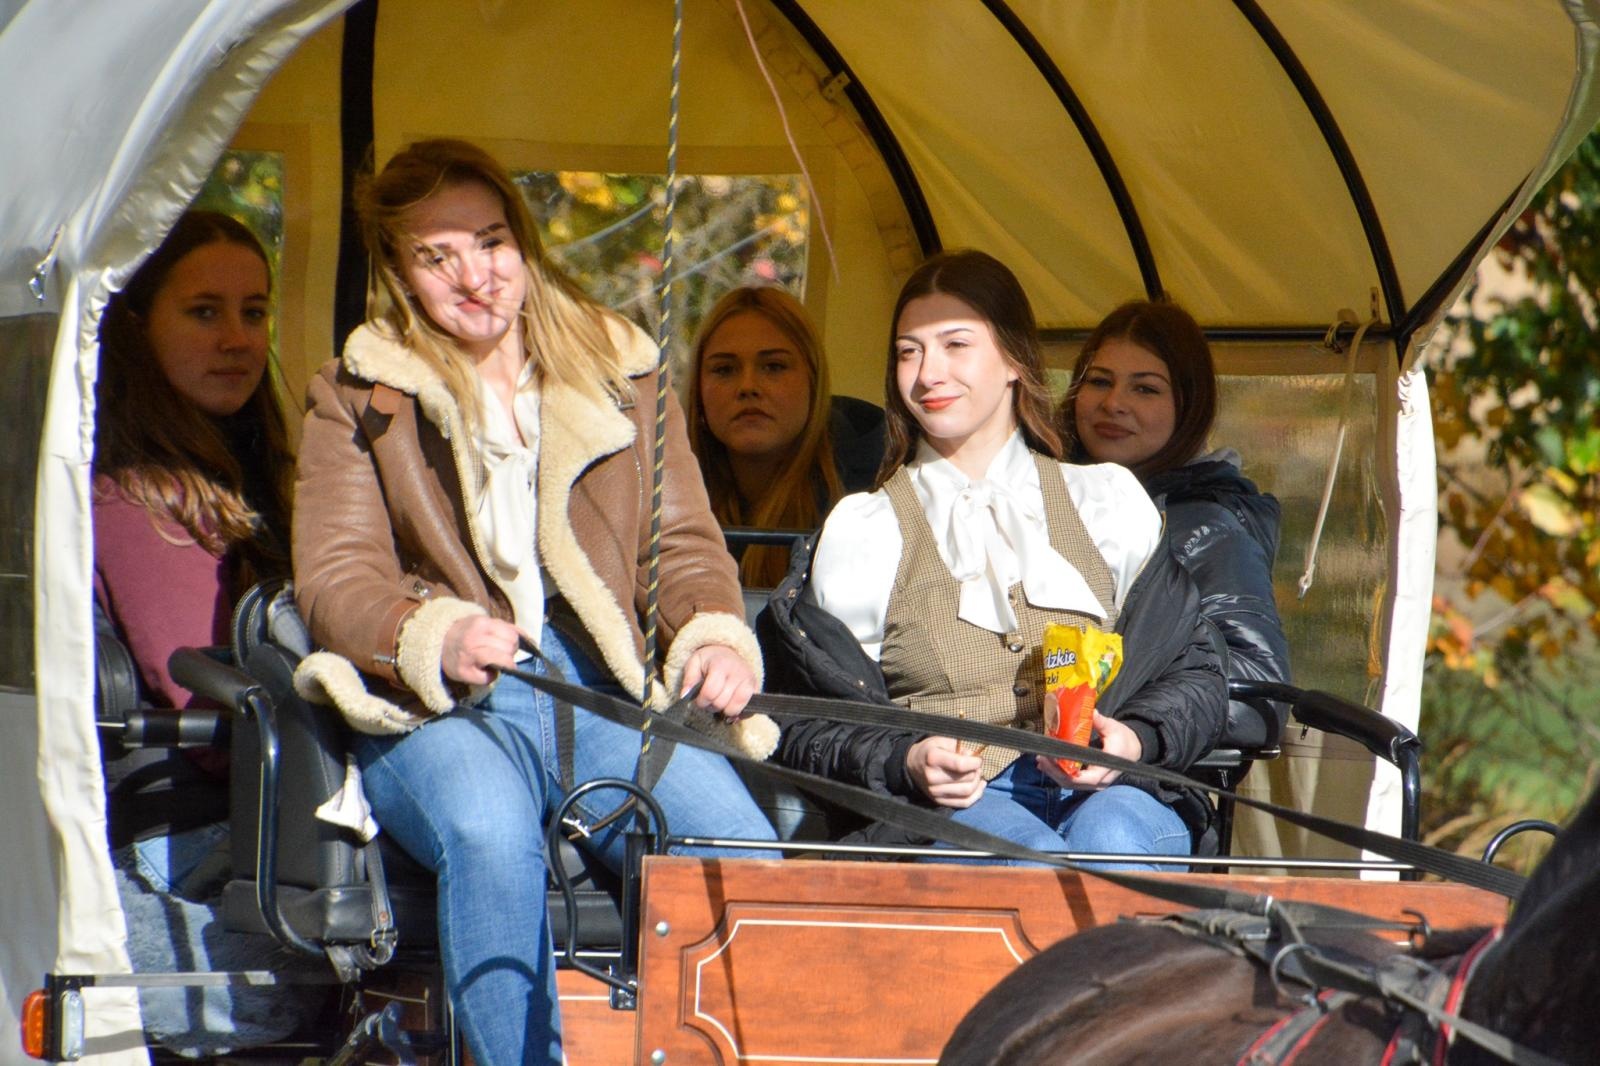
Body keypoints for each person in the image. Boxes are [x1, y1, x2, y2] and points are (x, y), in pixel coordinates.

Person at [289, 138, 780, 1065]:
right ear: (398, 270)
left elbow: (680, 543)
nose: (476, 278)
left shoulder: (621, 369)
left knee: (737, 850)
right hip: (435, 704)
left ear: (524, 241)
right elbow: (337, 576)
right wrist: (433, 633)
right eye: (439, 257)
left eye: (490, 242)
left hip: (599, 688)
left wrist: (714, 635)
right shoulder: (356, 394)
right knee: (487, 831)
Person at [760, 250, 1227, 869]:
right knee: (1023, 857)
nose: (928, 374)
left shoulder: (1106, 502)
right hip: (953, 808)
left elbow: (1196, 670)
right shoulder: (864, 530)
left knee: (1114, 839)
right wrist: (906, 760)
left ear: (1013, 359)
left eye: (955, 345)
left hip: (1111, 792)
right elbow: (803, 720)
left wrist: (1136, 738)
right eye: (909, 351)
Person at [92, 209, 322, 1053]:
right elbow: (220, 720)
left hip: (261, 817)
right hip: (199, 838)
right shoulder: (136, 494)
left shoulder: (250, 475)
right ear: (137, 327)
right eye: (203, 312)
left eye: (253, 312)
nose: (237, 338)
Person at [1061, 299, 1291, 701]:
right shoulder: (1033, 493)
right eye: (1099, 381)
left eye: (1145, 388)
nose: (1114, 403)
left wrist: (1137, 731)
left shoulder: (1207, 530)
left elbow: (1258, 687)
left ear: (1188, 405)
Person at [687, 285, 885, 587]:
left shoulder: (876, 499)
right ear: (698, 391)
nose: (748, 386)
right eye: (724, 369)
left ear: (813, 381)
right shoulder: (664, 496)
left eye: (774, 367)